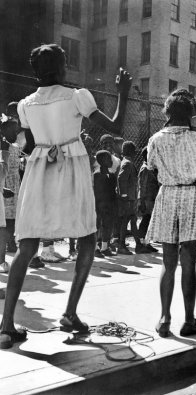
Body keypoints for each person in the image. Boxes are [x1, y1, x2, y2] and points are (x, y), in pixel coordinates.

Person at [0, 43, 131, 350]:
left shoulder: (24, 105)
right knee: (86, 236)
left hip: (39, 171)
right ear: (64, 67)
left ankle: (6, 326)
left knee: (27, 243)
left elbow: (30, 144)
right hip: (71, 168)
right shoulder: (77, 96)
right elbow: (116, 126)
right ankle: (70, 313)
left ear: (35, 72)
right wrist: (123, 92)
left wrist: (30, 143)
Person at [145, 88, 196, 337]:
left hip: (168, 195)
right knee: (189, 263)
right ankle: (189, 320)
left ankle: (164, 318)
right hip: (192, 196)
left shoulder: (156, 139)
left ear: (167, 112)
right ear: (191, 114)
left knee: (168, 261)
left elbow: (152, 170)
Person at [117, 141, 148, 255]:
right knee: (126, 222)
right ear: (131, 152)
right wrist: (124, 195)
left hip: (131, 199)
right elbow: (121, 179)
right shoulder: (127, 163)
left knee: (133, 221)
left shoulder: (126, 162)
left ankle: (138, 246)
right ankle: (121, 245)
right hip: (128, 199)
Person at [0, 119, 18, 274]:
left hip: (9, 190)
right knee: (2, 227)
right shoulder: (3, 147)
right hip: (2, 189)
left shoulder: (15, 147)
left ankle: (3, 257)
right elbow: (2, 170)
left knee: (7, 225)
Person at [93, 150, 117, 257]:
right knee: (97, 226)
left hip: (109, 205)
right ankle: (95, 248)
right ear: (102, 161)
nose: (111, 160)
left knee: (108, 225)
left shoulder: (112, 175)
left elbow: (113, 190)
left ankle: (104, 247)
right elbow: (97, 191)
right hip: (99, 205)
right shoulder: (97, 175)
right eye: (108, 158)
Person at [137, 146, 159, 252]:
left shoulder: (151, 168)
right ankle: (140, 243)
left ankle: (146, 242)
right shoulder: (145, 168)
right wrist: (141, 201)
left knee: (149, 220)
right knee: (145, 220)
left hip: (152, 198)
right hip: (147, 199)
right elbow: (142, 186)